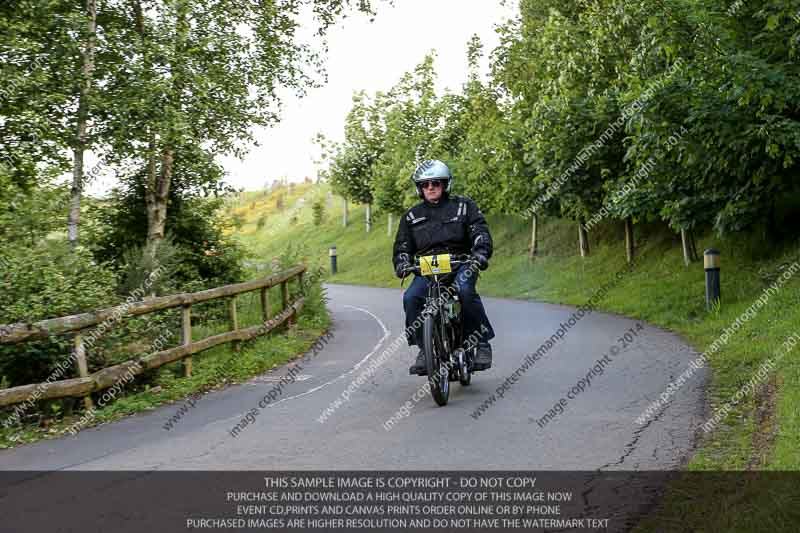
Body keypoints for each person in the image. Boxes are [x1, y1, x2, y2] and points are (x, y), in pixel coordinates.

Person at [392, 159, 495, 375]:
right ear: (419, 188)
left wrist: (480, 253)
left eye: (436, 183)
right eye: (425, 184)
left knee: (465, 290)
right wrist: (402, 262)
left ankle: (482, 343)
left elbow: (480, 232)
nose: (431, 188)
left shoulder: (465, 206)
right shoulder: (411, 216)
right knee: (411, 298)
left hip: (461, 264)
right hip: (427, 269)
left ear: (445, 184)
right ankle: (424, 348)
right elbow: (402, 246)